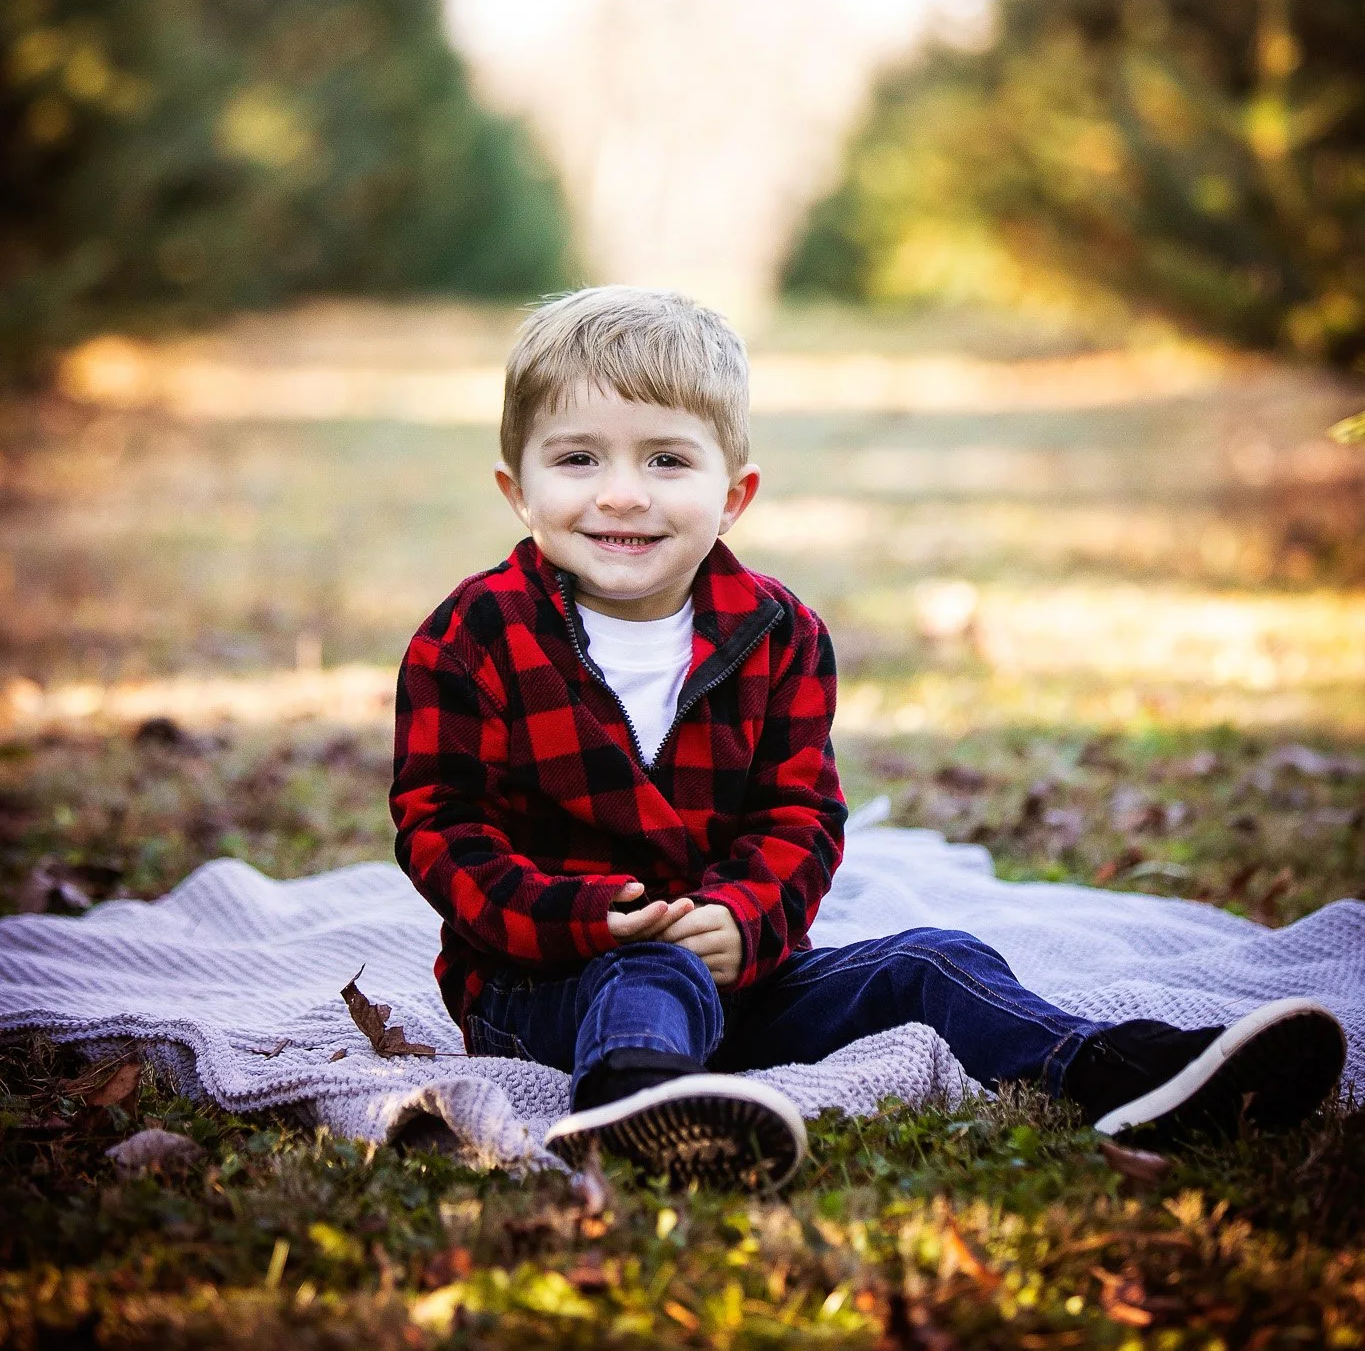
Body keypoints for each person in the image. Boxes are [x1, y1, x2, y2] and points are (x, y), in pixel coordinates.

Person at [391, 288, 1345, 1188]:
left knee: (932, 958)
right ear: (518, 490)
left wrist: (745, 917)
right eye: (579, 459)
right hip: (539, 985)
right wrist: (585, 917)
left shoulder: (778, 633)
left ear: (734, 495)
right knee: (647, 968)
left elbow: (799, 815)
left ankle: (1113, 1068)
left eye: (667, 461)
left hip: (732, 968)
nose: (623, 495)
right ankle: (635, 1105)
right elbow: (441, 829)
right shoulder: (474, 635)